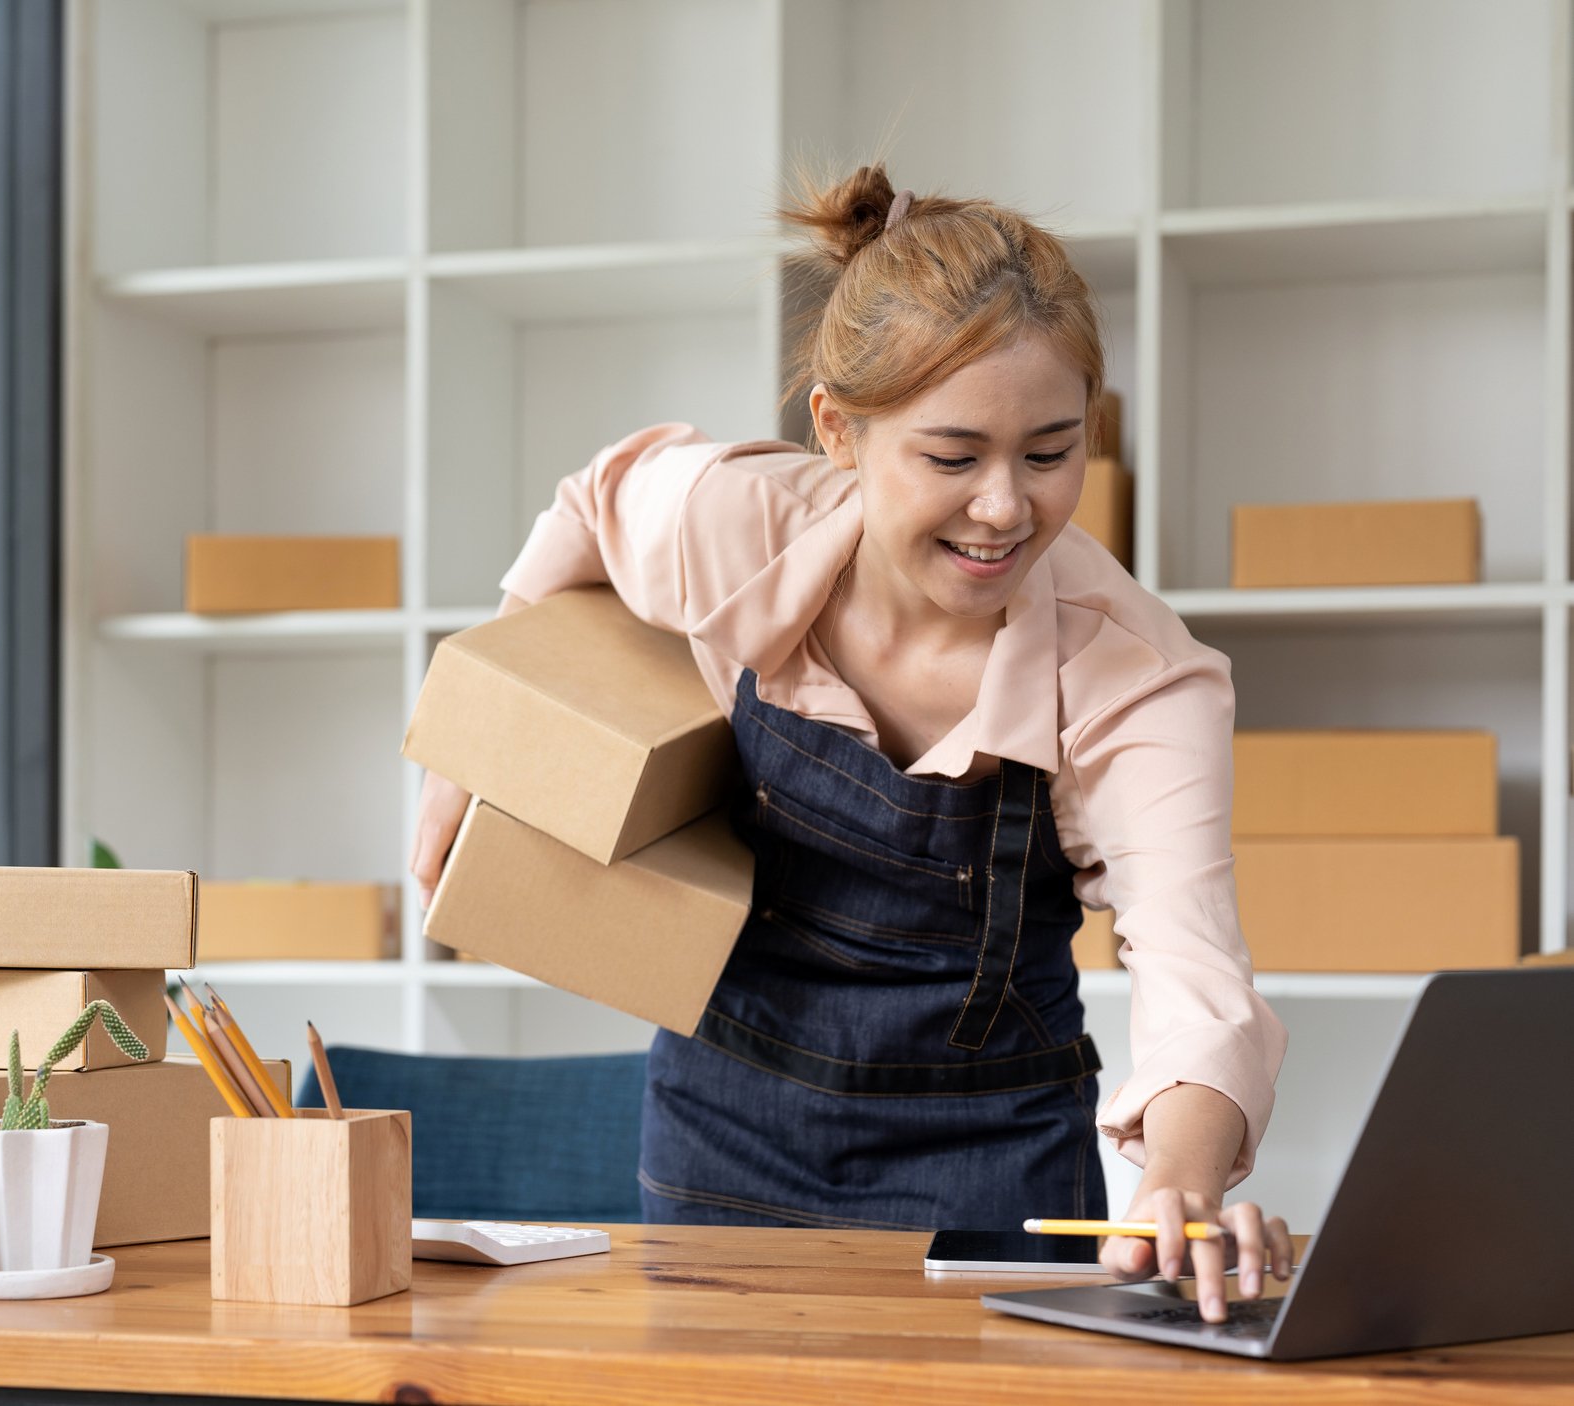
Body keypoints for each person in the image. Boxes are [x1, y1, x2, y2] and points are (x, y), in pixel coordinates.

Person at [407, 164, 1291, 1325]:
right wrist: (473, 745)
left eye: (1048, 451)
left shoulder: (1136, 673)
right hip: (721, 1128)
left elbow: (1192, 968)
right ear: (838, 429)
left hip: (992, 1158)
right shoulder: (733, 525)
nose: (1003, 508)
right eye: (952, 454)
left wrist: (1177, 1174)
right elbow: (592, 500)